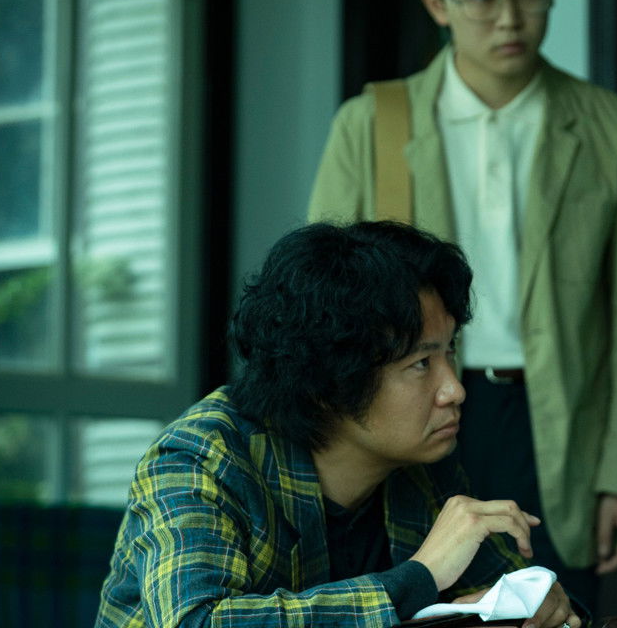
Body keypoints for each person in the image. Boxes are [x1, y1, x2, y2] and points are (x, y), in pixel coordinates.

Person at [307, 0, 617, 610]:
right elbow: (321, 311)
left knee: (551, 613)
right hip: (405, 411)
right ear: (436, 3)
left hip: (556, 426)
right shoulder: (371, 125)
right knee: (412, 605)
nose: (510, 18)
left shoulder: (613, 130)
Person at [95, 221, 579, 628]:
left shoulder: (421, 465)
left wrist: (537, 602)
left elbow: (499, 592)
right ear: (329, 381)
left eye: (449, 350)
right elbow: (197, 621)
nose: (454, 389)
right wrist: (419, 578)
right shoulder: (201, 456)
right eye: (420, 363)